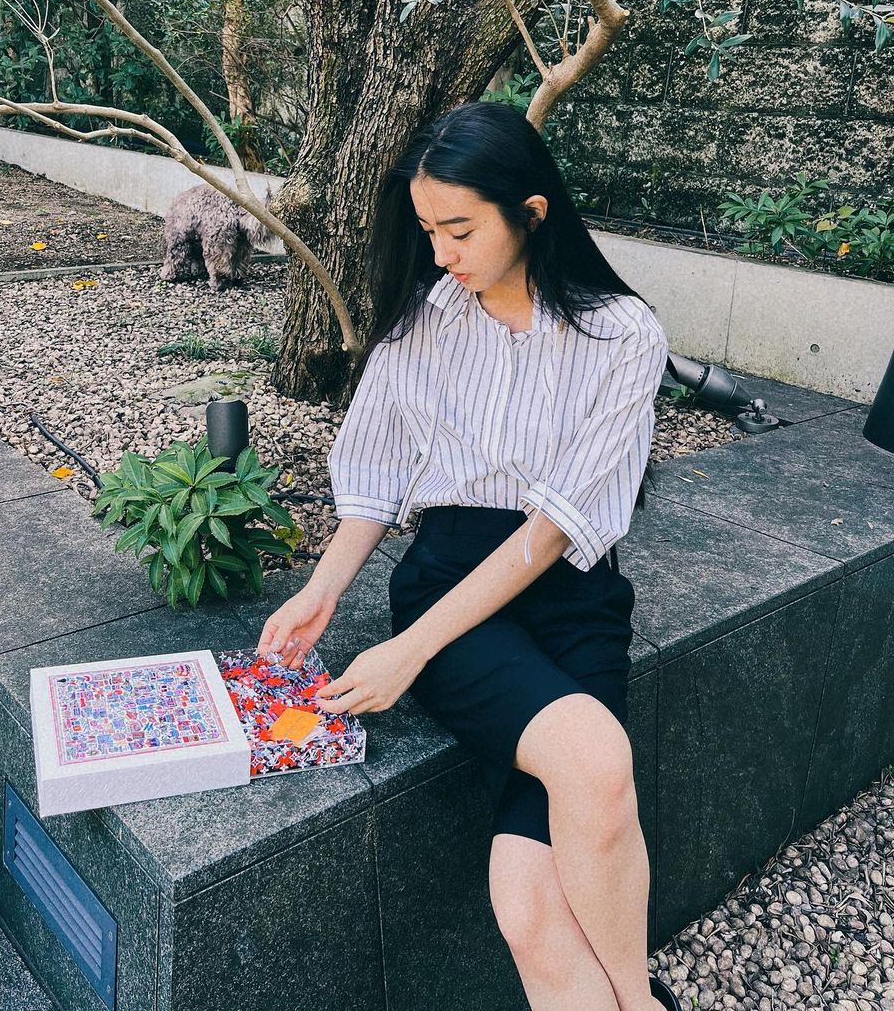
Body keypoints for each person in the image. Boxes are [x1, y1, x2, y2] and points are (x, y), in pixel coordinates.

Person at [255, 101, 680, 1011]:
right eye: (427, 230)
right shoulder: (426, 322)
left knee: (529, 901)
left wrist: (405, 654)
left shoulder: (623, 334)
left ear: (531, 213)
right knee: (590, 767)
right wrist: (322, 594)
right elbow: (375, 471)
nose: (440, 251)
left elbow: (554, 529)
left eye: (459, 228)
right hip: (450, 582)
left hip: (569, 594)